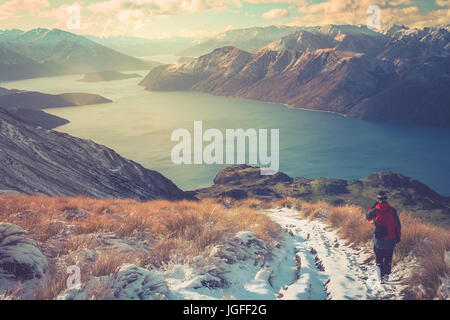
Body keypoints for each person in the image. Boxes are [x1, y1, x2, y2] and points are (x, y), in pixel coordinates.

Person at [366, 191, 401, 283]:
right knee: (388, 259)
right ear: (386, 199)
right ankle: (385, 277)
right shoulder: (392, 210)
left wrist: (373, 208)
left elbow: (367, 216)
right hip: (391, 239)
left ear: (378, 200)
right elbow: (398, 225)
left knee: (379, 258)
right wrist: (398, 237)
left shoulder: (375, 210)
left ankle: (380, 277)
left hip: (379, 240)